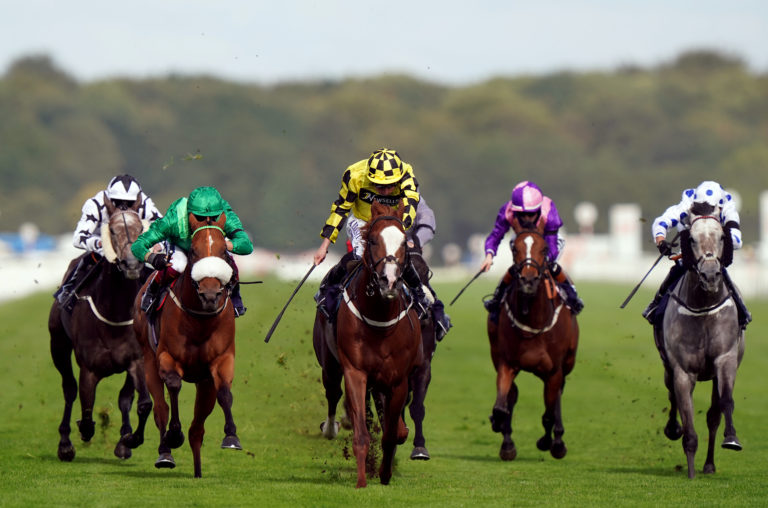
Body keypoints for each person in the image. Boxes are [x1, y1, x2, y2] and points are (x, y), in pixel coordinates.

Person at [313, 148, 451, 332]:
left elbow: (411, 206)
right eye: (379, 186)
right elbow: (340, 210)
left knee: (400, 254)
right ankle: (327, 289)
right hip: (362, 219)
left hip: (393, 218)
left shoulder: (406, 174)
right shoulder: (354, 175)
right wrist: (325, 245)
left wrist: (400, 235)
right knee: (361, 254)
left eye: (390, 186)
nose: (385, 192)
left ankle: (421, 295)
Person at [642, 180, 751, 329]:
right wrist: (661, 241)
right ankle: (656, 304)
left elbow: (737, 241)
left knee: (720, 272)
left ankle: (741, 310)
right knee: (677, 270)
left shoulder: (727, 206)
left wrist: (716, 239)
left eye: (711, 208)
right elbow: (661, 221)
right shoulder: (688, 203)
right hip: (690, 247)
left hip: (713, 251)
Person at [130, 186, 254, 317]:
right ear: (189, 213)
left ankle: (235, 297)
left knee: (229, 264)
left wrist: (222, 244)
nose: (207, 222)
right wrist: (151, 257)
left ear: (220, 213)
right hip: (182, 246)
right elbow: (137, 245)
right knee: (179, 265)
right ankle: (152, 290)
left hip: (213, 246)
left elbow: (247, 246)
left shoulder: (225, 215)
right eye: (200, 217)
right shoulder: (174, 218)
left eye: (214, 217)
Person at [53, 174, 162, 312]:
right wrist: (102, 244)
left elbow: (162, 230)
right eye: (118, 201)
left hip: (134, 246)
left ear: (137, 200)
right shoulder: (95, 204)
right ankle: (68, 291)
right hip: (102, 244)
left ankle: (158, 296)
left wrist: (157, 245)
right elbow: (78, 238)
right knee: (87, 260)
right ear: (109, 198)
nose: (123, 207)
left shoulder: (145, 204)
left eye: (129, 203)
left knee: (157, 264)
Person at [480, 180, 583, 322]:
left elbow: (551, 244)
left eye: (531, 214)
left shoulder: (549, 211)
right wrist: (489, 255)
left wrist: (543, 260)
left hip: (546, 238)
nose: (526, 218)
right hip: (521, 238)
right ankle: (496, 301)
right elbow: (495, 235)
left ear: (539, 210)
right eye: (521, 215)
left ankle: (572, 296)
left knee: (551, 266)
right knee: (518, 267)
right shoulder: (507, 211)